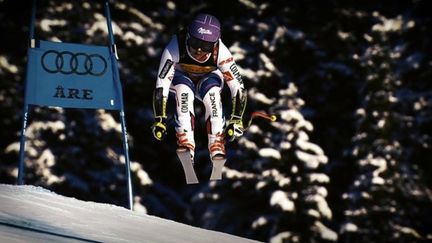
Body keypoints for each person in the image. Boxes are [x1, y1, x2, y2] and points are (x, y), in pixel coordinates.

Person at [151, 13, 247, 161]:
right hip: (181, 77)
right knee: (184, 92)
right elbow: (161, 83)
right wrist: (160, 119)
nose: (199, 50)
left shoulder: (221, 52)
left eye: (206, 46)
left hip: (208, 80)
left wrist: (236, 119)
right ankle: (186, 142)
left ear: (215, 44)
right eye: (195, 43)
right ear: (188, 36)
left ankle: (216, 143)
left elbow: (238, 87)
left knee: (212, 95)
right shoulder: (175, 46)